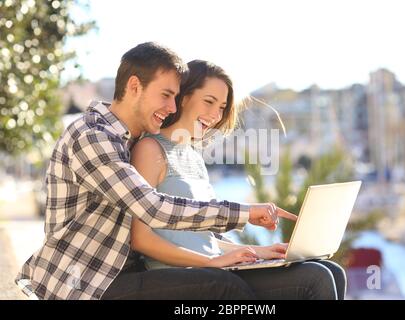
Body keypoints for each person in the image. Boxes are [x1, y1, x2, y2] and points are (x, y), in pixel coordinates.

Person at [15, 42, 297, 300]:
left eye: (176, 96)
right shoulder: (92, 137)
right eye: (166, 95)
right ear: (134, 86)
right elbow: (152, 208)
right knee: (222, 286)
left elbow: (181, 231)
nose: (172, 107)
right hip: (85, 284)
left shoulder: (128, 140)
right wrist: (245, 213)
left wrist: (251, 253)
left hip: (119, 274)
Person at [109, 60, 347, 300]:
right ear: (183, 97)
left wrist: (260, 252)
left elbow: (205, 238)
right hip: (184, 276)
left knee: (332, 271)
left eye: (222, 106)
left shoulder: (193, 156)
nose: (215, 115)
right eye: (209, 101)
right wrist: (212, 262)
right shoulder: (150, 149)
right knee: (316, 278)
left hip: (214, 266)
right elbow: (141, 238)